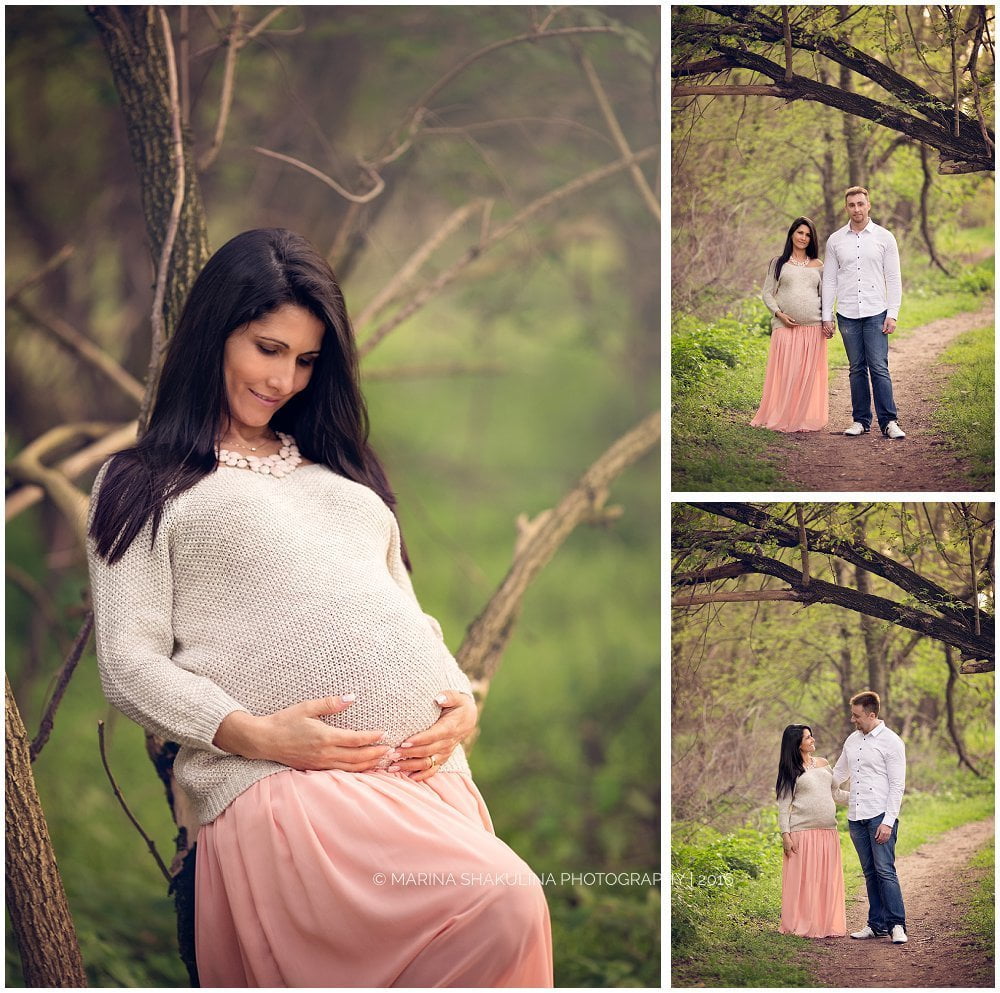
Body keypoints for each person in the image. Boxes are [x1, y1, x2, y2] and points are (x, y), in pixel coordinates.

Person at [87, 228, 554, 987]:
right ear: (214, 333)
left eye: (306, 360)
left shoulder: (343, 469)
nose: (285, 380)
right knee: (506, 906)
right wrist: (259, 735)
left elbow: (401, 608)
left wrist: (459, 698)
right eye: (268, 349)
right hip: (283, 787)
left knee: (503, 917)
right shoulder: (144, 481)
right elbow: (127, 665)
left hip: (421, 780)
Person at [821, 186, 905, 440]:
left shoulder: (884, 237)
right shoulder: (835, 240)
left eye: (860, 204)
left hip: (876, 311)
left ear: (868, 205)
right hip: (847, 313)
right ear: (846, 208)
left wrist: (893, 313)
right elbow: (830, 281)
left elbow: (893, 277)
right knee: (856, 368)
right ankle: (860, 420)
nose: (856, 209)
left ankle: (889, 422)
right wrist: (827, 315)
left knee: (879, 367)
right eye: (852, 205)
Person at [831, 691, 908, 945]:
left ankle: (897, 924)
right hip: (856, 817)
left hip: (879, 817)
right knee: (869, 873)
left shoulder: (892, 742)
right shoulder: (852, 741)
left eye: (857, 715)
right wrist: (807, 774)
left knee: (885, 871)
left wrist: (888, 821)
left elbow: (897, 786)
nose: (853, 720)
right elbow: (838, 773)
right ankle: (876, 925)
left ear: (872, 714)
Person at [751, 216, 834, 433]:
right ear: (791, 234)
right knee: (787, 374)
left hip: (813, 328)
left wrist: (829, 320)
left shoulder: (819, 265)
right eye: (800, 233)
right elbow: (767, 293)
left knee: (806, 376)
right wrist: (779, 314)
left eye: (808, 235)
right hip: (785, 327)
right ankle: (783, 416)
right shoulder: (778, 263)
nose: (803, 238)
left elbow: (825, 296)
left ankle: (802, 418)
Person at [776, 724, 849, 938]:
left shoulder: (824, 764)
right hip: (802, 833)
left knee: (826, 880)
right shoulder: (790, 770)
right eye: (808, 738)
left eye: (811, 736)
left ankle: (825, 924)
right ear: (796, 744)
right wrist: (785, 835)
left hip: (828, 831)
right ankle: (802, 924)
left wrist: (863, 799)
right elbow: (783, 807)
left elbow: (836, 794)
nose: (812, 740)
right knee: (805, 882)